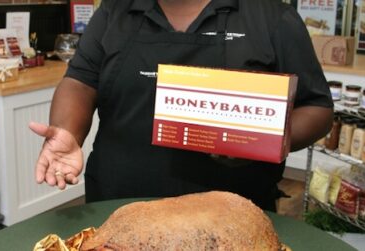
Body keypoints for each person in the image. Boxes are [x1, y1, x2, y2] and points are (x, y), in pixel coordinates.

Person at [29, 0, 333, 211]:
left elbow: (317, 108)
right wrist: (68, 131)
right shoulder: (113, 13)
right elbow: (80, 81)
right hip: (119, 206)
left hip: (232, 214)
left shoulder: (271, 17)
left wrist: (259, 141)